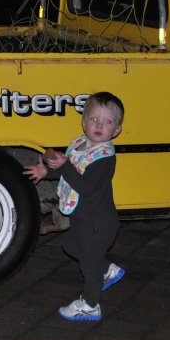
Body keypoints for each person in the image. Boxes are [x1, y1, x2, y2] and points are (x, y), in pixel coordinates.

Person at [23, 91, 125, 321]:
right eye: (94, 119)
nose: (99, 125)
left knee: (89, 264)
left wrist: (65, 166)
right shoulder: (79, 144)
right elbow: (68, 170)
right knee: (70, 245)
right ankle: (107, 269)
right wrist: (47, 171)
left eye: (107, 122)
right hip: (83, 219)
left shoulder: (105, 158)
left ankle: (90, 304)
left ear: (116, 130)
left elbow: (85, 185)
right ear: (83, 121)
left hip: (99, 223)